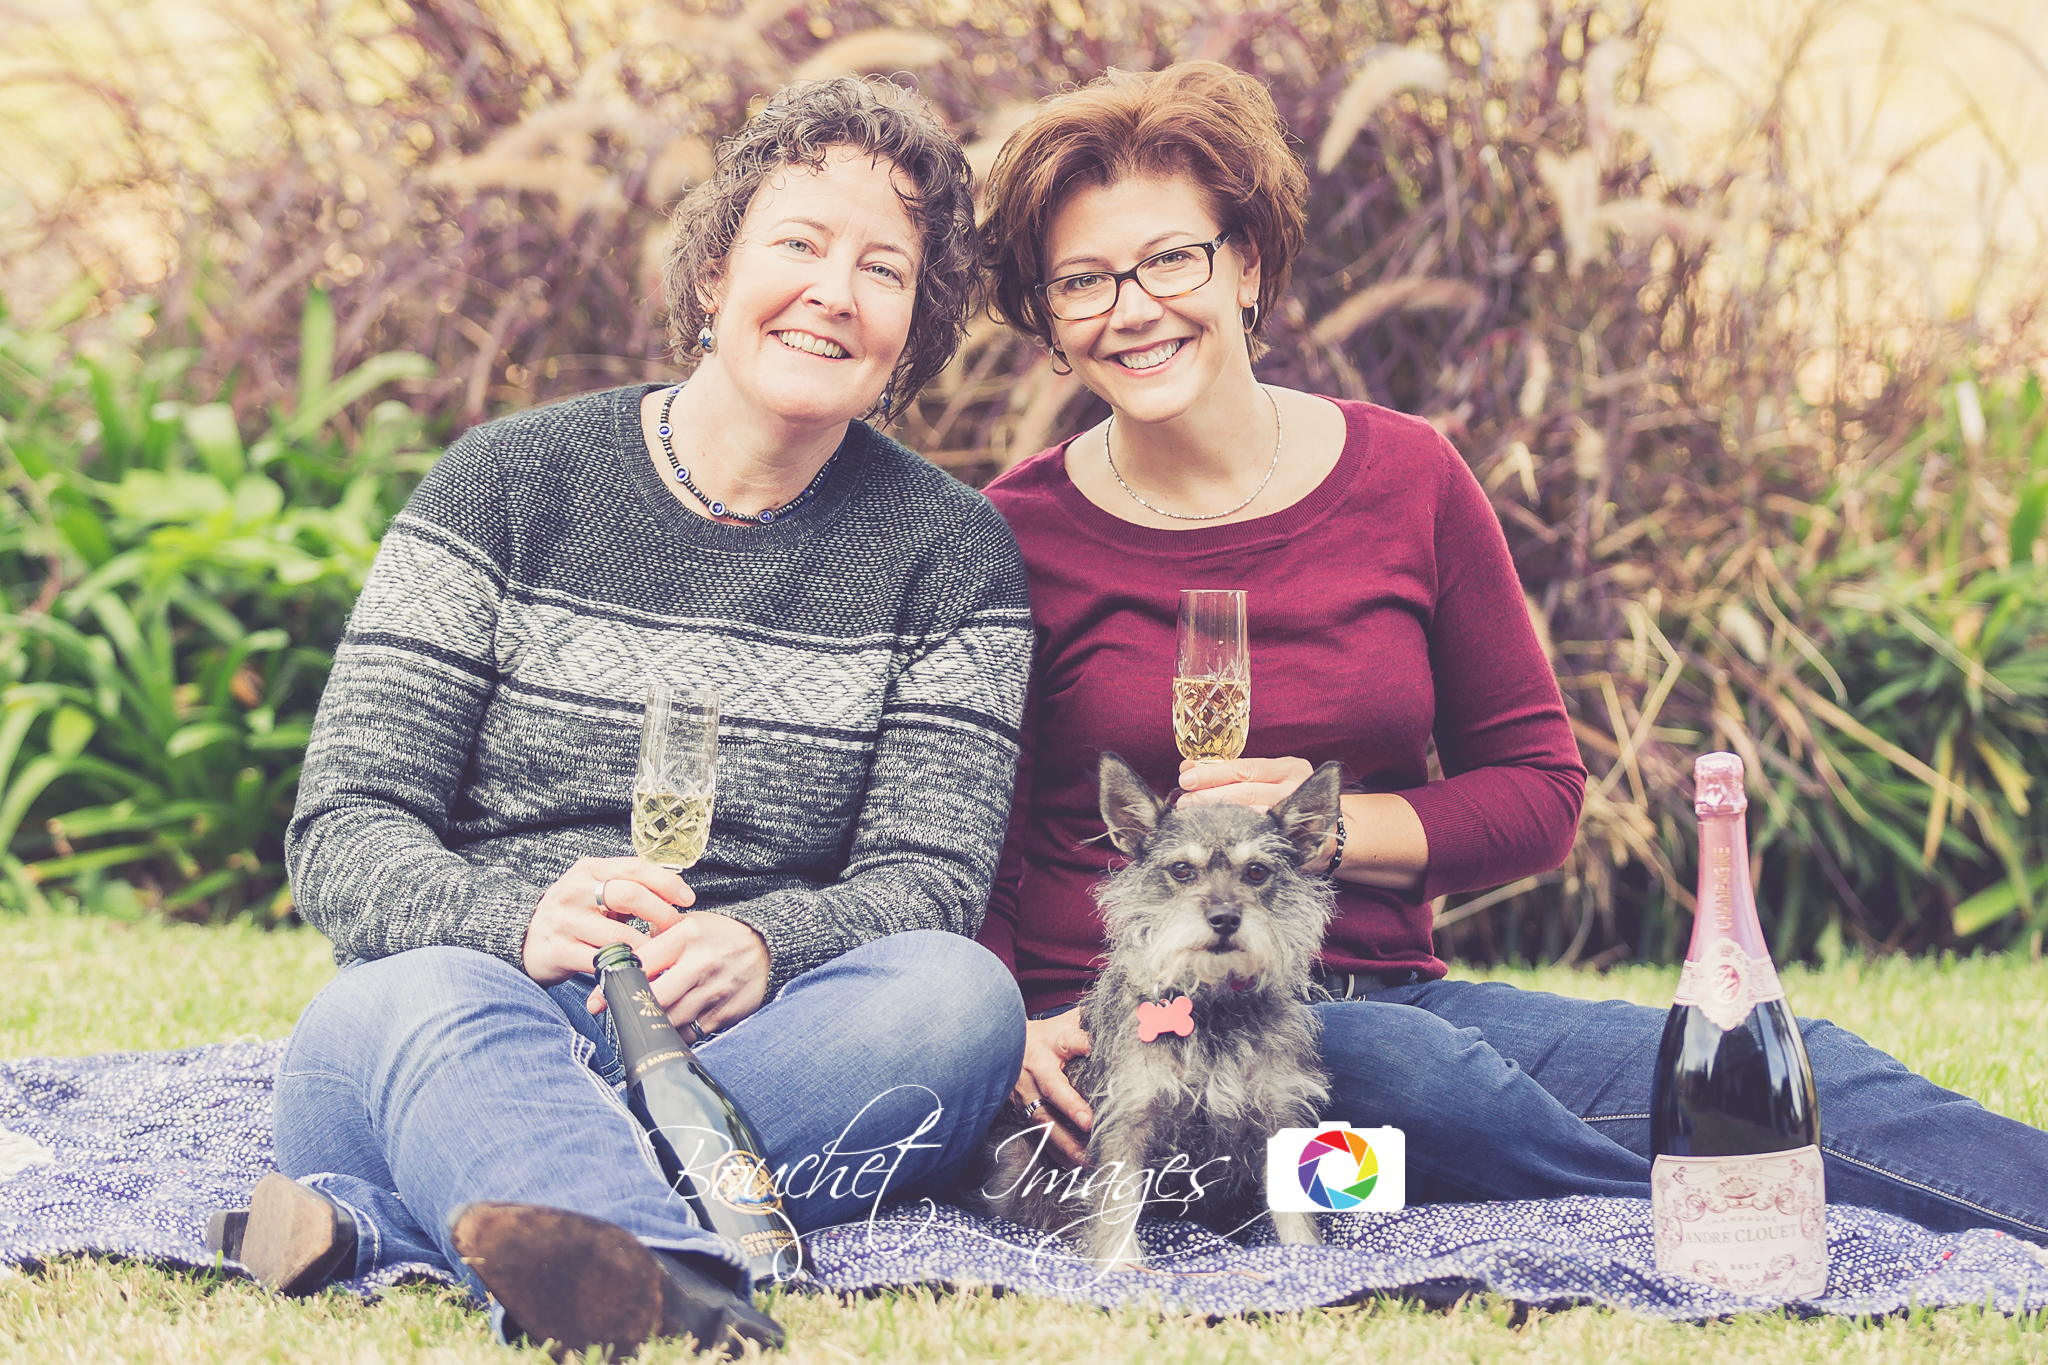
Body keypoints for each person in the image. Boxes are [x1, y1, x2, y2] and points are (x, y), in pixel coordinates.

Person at [974, 61, 2048, 1244]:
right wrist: (1009, 1030)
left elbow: (1539, 794)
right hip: (1151, 1035)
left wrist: (1332, 828)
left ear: (1247, 264)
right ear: (1049, 318)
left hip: (1386, 1001)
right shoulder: (1012, 535)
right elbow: (974, 845)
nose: (1131, 308)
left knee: (1763, 1054)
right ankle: (1686, 1216)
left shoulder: (1407, 478)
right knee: (1421, 1087)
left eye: (1170, 259)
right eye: (1081, 280)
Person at [229, 77, 1033, 1358]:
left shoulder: (950, 555)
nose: (833, 292)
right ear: (715, 271)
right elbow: (343, 827)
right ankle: (670, 1268)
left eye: (883, 270)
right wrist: (515, 923)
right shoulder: (503, 483)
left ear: (912, 331)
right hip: (458, 1015)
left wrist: (765, 942)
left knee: (957, 1001)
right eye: (798, 243)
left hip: (752, 1042)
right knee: (430, 1001)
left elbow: (928, 882)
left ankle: (402, 1226)